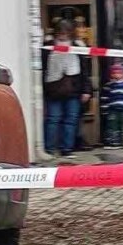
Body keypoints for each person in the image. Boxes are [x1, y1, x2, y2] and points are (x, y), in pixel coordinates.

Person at [43, 21, 92, 158]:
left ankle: (66, 149)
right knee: (54, 119)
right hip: (54, 89)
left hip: (72, 88)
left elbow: (84, 71)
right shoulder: (47, 46)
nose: (63, 36)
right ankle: (50, 148)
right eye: (60, 32)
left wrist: (86, 90)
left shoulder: (77, 46)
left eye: (65, 32)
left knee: (70, 119)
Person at [100, 62, 123, 148]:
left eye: (119, 73)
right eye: (114, 73)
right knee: (112, 126)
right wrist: (104, 109)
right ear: (111, 74)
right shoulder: (109, 86)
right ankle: (112, 143)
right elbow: (105, 98)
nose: (116, 75)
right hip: (112, 110)